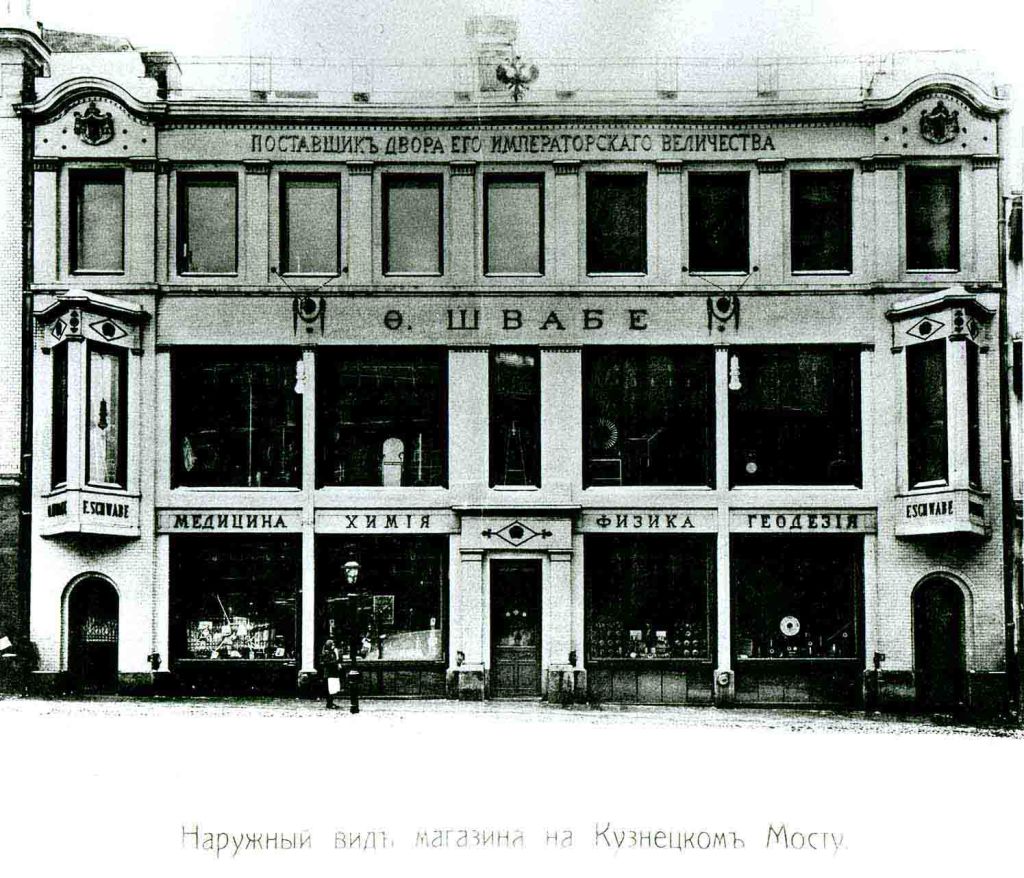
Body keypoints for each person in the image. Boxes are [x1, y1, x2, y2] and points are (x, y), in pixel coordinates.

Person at [320, 638, 341, 709]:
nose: (333, 646)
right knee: (330, 689)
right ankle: (329, 703)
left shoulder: (332, 652)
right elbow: (327, 662)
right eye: (332, 645)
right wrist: (336, 662)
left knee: (333, 688)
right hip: (329, 673)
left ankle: (331, 702)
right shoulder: (327, 653)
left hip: (333, 672)